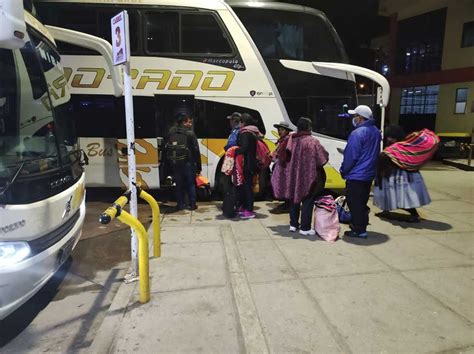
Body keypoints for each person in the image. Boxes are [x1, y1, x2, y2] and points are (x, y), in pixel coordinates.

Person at [272, 117, 328, 236]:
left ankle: (293, 225)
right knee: (307, 200)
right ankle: (305, 228)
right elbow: (322, 158)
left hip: (292, 176)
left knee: (293, 199)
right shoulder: (312, 141)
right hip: (308, 176)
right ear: (309, 127)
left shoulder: (290, 140)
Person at [373, 125, 432, 222]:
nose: (389, 139)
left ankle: (414, 214)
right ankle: (386, 211)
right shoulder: (395, 146)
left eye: (392, 137)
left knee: (402, 198)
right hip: (389, 175)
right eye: (389, 137)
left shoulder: (400, 147)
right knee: (386, 195)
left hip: (399, 176)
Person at [340, 105, 381, 238]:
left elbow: (351, 156)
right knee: (362, 202)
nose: (354, 119)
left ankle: (359, 230)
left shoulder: (358, 133)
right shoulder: (375, 131)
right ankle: (361, 224)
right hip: (368, 174)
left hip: (356, 175)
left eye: (355, 116)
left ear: (361, 118)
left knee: (354, 203)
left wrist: (343, 170)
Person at [165, 113, 202, 211]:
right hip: (188, 164)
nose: (190, 124)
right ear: (184, 122)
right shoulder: (190, 134)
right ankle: (192, 205)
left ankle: (180, 204)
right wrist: (199, 166)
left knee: (179, 184)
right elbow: (196, 151)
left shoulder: (171, 132)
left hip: (176, 164)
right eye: (189, 121)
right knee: (191, 184)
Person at [235, 113, 261, 219]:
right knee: (246, 187)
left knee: (247, 187)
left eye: (240, 121)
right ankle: (245, 208)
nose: (239, 124)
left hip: (248, 165)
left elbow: (244, 148)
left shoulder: (245, 133)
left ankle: (249, 210)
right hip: (251, 163)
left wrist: (235, 150)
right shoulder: (252, 132)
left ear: (243, 122)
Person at [269, 121, 293, 214]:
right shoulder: (282, 140)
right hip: (282, 166)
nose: (279, 131)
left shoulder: (288, 140)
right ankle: (286, 204)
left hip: (286, 167)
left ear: (287, 131)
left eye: (282, 129)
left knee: (286, 186)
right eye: (278, 129)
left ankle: (288, 205)